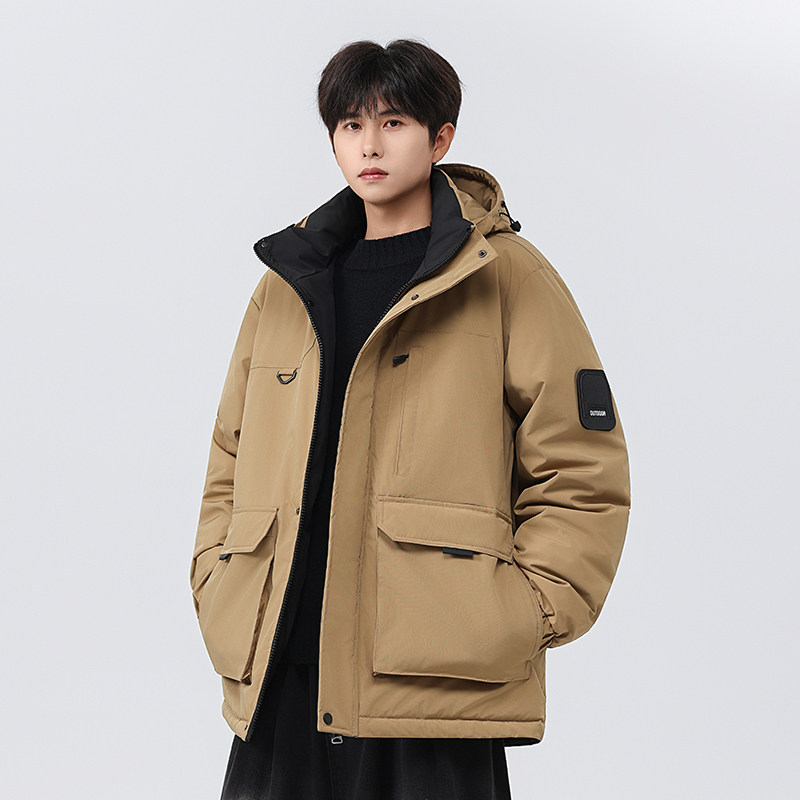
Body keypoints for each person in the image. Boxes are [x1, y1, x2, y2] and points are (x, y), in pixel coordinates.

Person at [189, 38, 631, 800]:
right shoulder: (285, 286)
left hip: (433, 685)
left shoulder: (505, 276)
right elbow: (230, 453)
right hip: (282, 678)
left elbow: (582, 466)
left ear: (440, 138)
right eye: (350, 125)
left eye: (392, 122)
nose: (369, 145)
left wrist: (521, 613)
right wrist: (219, 580)